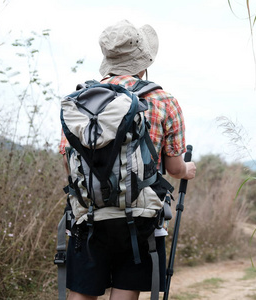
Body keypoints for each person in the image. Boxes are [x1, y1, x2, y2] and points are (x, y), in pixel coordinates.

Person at [59, 19, 196, 300]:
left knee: (82, 290)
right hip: (139, 216)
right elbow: (173, 168)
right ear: (144, 62)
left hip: (88, 213)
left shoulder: (82, 102)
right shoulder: (163, 100)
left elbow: (68, 162)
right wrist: (187, 170)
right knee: (125, 288)